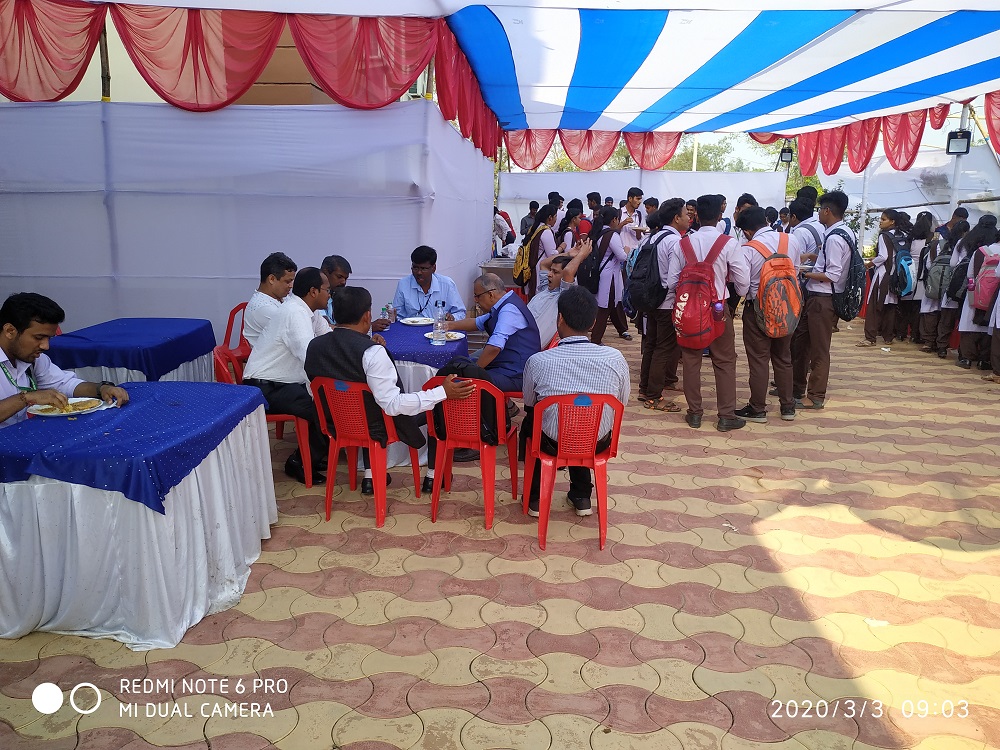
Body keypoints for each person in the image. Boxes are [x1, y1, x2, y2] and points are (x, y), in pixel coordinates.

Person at [304, 286, 474, 496]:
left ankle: (371, 475)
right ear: (367, 316)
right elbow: (392, 405)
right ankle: (433, 475)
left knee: (362, 402)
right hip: (375, 426)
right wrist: (442, 392)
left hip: (334, 423)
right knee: (438, 404)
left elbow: (316, 387)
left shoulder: (314, 346)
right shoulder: (372, 353)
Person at [521, 285, 630, 518]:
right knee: (584, 421)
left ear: (559, 318)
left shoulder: (538, 361)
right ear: (593, 323)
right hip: (598, 442)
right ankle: (582, 496)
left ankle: (535, 499)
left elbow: (529, 402)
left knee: (535, 420)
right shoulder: (615, 358)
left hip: (552, 443)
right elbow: (622, 402)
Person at [666, 194, 750, 431]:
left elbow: (671, 282)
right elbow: (743, 283)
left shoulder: (682, 243)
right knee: (724, 361)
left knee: (691, 360)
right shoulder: (729, 243)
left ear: (695, 216)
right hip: (719, 308)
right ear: (720, 216)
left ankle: (694, 413)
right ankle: (726, 416)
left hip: (689, 311)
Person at [242, 268, 331, 484]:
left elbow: (329, 338)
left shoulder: (310, 311)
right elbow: (309, 358)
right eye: (327, 290)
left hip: (284, 382)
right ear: (313, 291)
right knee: (325, 408)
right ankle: (298, 462)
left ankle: (312, 455)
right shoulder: (295, 313)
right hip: (265, 387)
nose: (330, 295)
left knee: (327, 402)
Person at [0, 293, 130, 428]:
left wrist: (102, 389)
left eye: (49, 338)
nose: (46, 346)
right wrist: (26, 398)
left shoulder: (32, 357)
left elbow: (64, 384)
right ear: (10, 331)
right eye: (39, 338)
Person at [733, 207, 803, 424]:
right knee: (783, 357)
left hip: (757, 309)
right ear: (765, 220)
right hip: (788, 307)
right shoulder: (791, 240)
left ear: (747, 231)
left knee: (759, 360)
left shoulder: (748, 249)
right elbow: (796, 271)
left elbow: (742, 287)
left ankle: (758, 409)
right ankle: (788, 407)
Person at [792, 190, 855, 410]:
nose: (818, 213)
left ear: (827, 211)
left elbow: (833, 274)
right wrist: (812, 258)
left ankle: (815, 395)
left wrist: (805, 273)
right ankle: (796, 388)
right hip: (818, 297)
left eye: (820, 209)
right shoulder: (844, 231)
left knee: (818, 349)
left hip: (823, 297)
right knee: (801, 343)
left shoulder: (835, 238)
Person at [446, 273, 541, 393]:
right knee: (456, 364)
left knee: (462, 381)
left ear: (490, 294)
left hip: (517, 375)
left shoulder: (508, 310)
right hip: (505, 367)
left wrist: (475, 371)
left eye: (477, 296)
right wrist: (448, 325)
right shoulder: (502, 305)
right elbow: (476, 322)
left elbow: (494, 347)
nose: (475, 300)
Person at [638, 198, 688, 412]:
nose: (689, 217)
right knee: (664, 348)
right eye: (686, 214)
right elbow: (675, 278)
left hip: (650, 299)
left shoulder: (652, 237)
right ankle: (653, 396)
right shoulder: (675, 241)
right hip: (667, 301)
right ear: (676, 218)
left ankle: (644, 389)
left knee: (651, 344)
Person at [858, 209, 911, 347]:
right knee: (890, 306)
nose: (880, 222)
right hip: (897, 275)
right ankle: (888, 337)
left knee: (874, 305)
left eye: (884, 219)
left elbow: (883, 256)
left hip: (883, 275)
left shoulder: (884, 236)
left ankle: (870, 338)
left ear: (892, 221)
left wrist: (869, 264)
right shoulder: (903, 235)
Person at [529, 237, 592, 347]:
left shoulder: (564, 296)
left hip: (532, 347)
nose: (549, 274)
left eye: (555, 272)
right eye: (551, 270)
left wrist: (581, 255)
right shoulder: (546, 289)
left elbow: (568, 271)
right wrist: (568, 254)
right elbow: (543, 264)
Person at [957, 215, 1000, 369]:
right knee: (990, 326)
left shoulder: (981, 251)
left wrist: (971, 292)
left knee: (969, 322)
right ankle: (984, 360)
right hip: (995, 297)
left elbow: (970, 275)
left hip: (977, 293)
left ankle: (967, 358)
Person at [588, 206, 631, 344]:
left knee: (611, 303)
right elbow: (622, 256)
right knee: (605, 306)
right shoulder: (612, 235)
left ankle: (622, 328)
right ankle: (596, 339)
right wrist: (627, 250)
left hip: (602, 272)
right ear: (614, 220)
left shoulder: (599, 232)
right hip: (610, 275)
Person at [392, 246, 466, 323]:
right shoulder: (403, 284)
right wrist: (393, 316)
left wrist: (453, 318)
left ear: (434, 268)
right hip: (411, 328)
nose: (419, 272)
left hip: (438, 328)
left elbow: (461, 313)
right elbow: (398, 315)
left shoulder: (447, 284)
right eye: (415, 268)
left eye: (423, 269)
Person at [932, 220, 970, 358]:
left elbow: (953, 263)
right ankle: (964, 352)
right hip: (969, 285)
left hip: (955, 283)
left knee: (947, 317)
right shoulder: (975, 243)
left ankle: (942, 347)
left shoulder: (953, 243)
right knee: (964, 319)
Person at [243, 252, 297, 348]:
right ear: (271, 279)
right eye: (287, 281)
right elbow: (297, 335)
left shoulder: (282, 297)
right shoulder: (263, 308)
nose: (291, 286)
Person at [903, 211, 936, 344]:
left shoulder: (910, 238)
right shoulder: (931, 239)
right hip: (923, 276)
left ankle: (901, 332)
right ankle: (915, 334)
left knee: (906, 305)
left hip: (909, 274)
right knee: (919, 307)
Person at [320, 254, 352, 325]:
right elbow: (326, 327)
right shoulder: (315, 296)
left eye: (346, 278)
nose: (343, 282)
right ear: (325, 272)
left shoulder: (335, 295)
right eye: (339, 277)